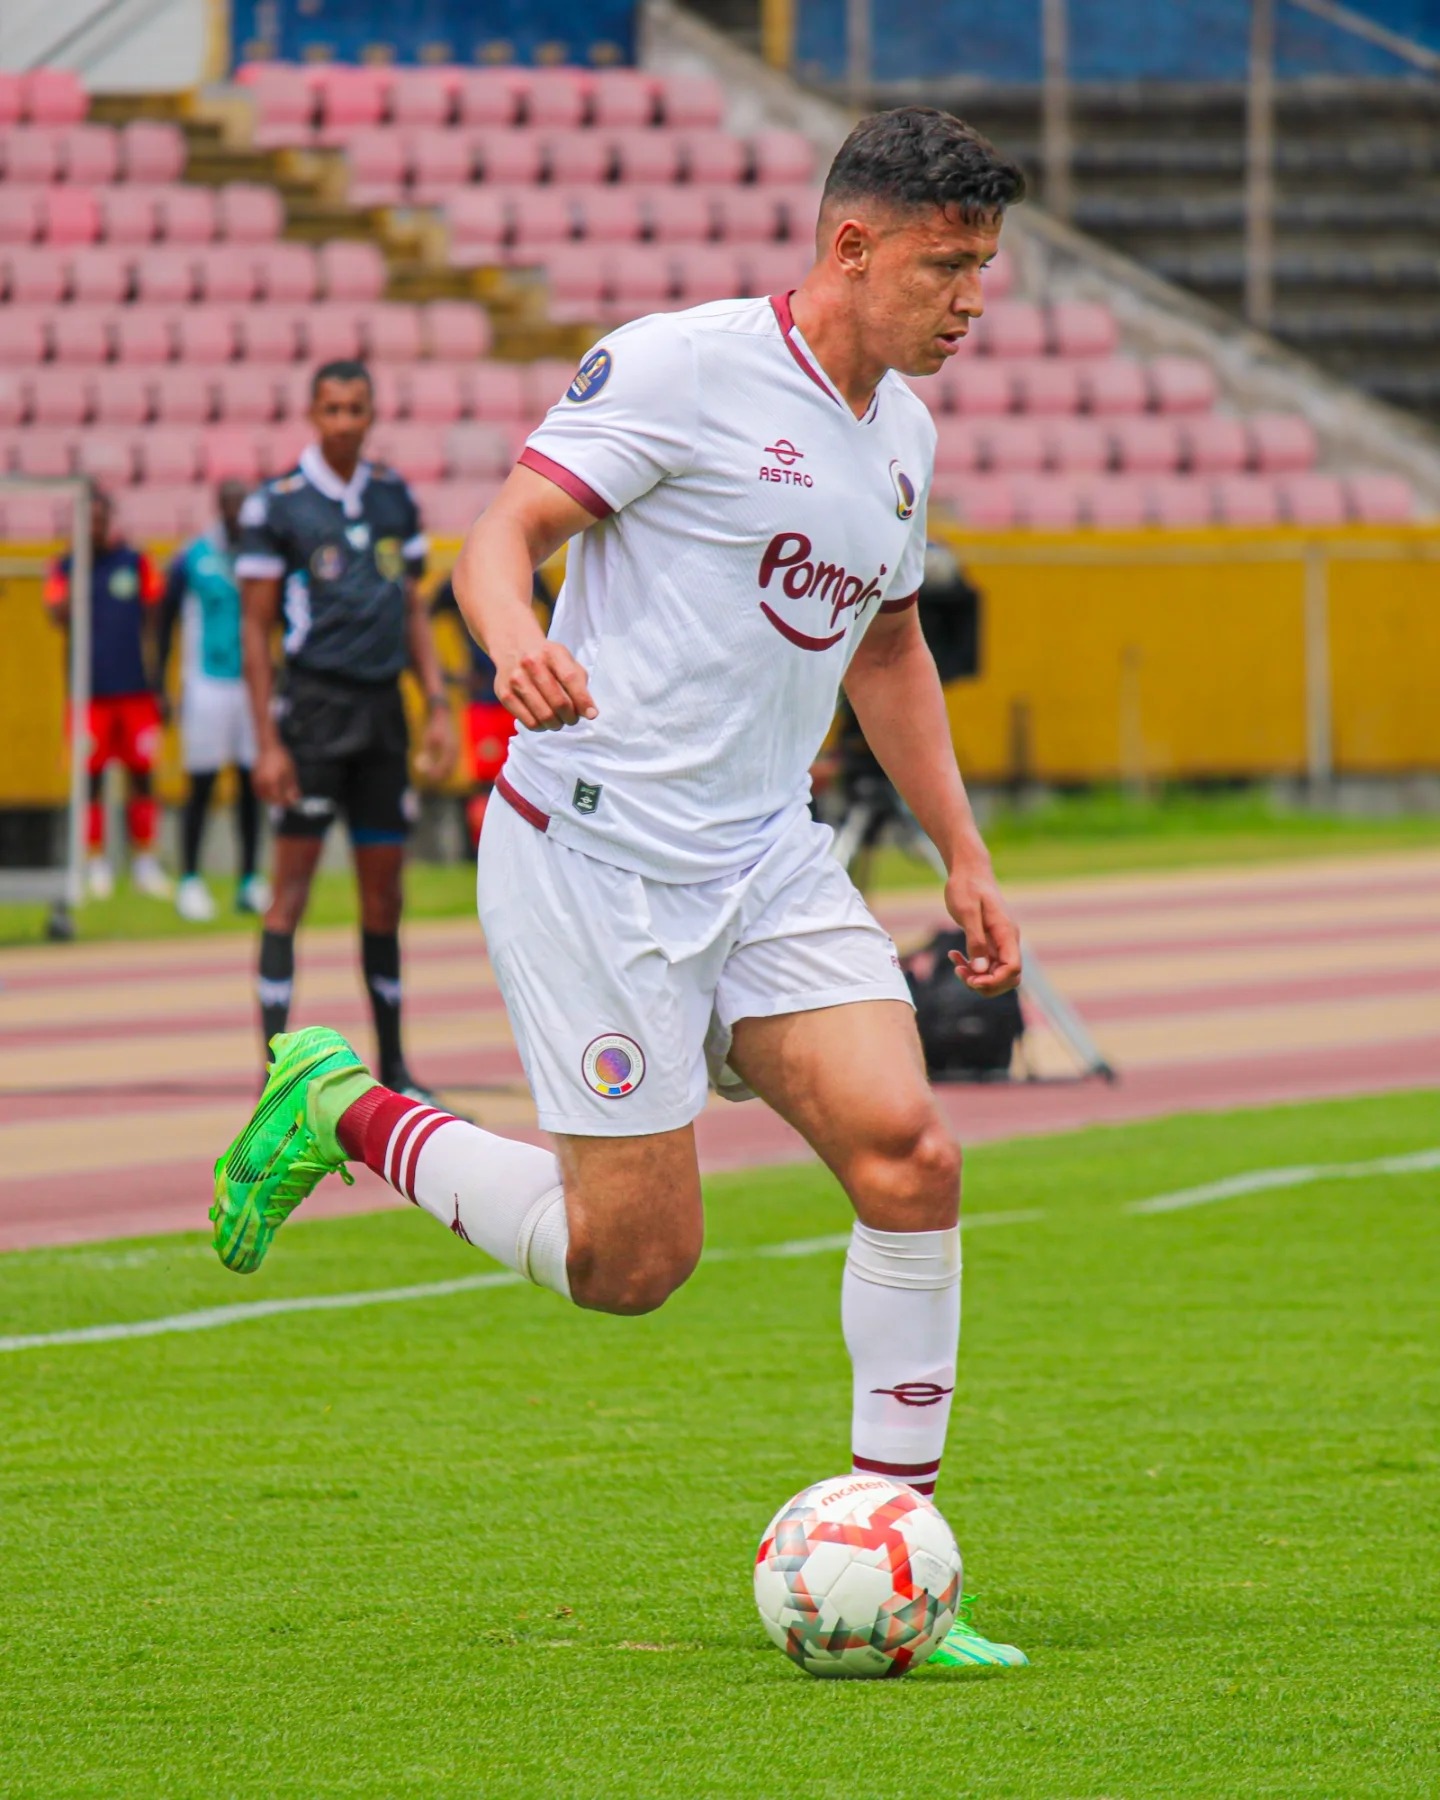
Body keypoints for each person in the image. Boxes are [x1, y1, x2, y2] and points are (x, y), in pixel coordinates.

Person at [212, 111, 1029, 1670]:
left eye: (985, 268)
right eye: (949, 263)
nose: (971, 298)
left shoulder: (903, 433)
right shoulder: (680, 367)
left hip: (769, 854)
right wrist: (517, 638)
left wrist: (963, 854)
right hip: (598, 850)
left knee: (913, 1161)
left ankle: (903, 1558)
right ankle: (343, 1111)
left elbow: (887, 647)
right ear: (851, 245)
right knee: (632, 1267)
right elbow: (500, 533)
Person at [233, 359, 456, 1098]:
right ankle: (275, 1078)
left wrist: (437, 702)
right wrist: (268, 741)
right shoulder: (278, 506)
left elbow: (415, 609)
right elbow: (256, 627)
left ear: (370, 415)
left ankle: (393, 1067)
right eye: (331, 409)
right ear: (312, 414)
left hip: (383, 718)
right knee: (289, 893)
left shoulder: (393, 498)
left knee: (384, 897)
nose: (343, 421)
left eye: (355, 408)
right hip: (315, 716)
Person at [44, 486, 169, 901]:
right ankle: (94, 862)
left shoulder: (135, 562)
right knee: (90, 778)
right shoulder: (65, 566)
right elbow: (54, 612)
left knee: (142, 776)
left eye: (100, 519)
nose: (95, 527)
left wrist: (157, 676)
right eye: (88, 520)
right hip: (88, 695)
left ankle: (145, 861)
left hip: (135, 691)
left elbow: (155, 615)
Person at [155, 479, 269, 923]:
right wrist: (161, 681)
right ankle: (189, 879)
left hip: (250, 684)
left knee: (250, 782)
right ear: (219, 507)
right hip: (205, 682)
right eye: (231, 505)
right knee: (201, 784)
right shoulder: (193, 558)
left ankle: (248, 880)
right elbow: (164, 622)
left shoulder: (261, 554)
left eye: (244, 505)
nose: (237, 514)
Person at [427, 568, 553, 847]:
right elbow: (422, 619)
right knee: (487, 782)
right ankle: (483, 849)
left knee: (529, 775)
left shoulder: (531, 573)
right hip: (484, 698)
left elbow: (558, 613)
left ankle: (525, 845)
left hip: (525, 694)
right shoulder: (464, 577)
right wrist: (451, 675)